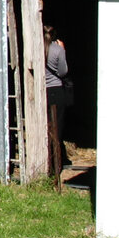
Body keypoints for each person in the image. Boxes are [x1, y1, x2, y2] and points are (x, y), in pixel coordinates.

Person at [43, 25, 71, 175]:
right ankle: (55, 165)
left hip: (43, 91)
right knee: (57, 128)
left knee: (45, 127)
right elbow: (63, 71)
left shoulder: (37, 47)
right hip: (56, 91)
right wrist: (63, 49)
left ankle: (45, 162)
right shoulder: (57, 49)